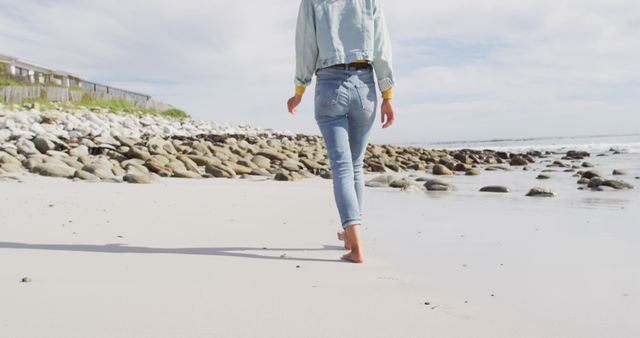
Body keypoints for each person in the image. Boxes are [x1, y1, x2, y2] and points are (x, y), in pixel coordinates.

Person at [287, 0, 396, 263]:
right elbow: (382, 45)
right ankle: (349, 236)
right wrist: (388, 94)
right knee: (355, 166)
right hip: (365, 85)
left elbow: (305, 45)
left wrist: (299, 89)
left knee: (342, 168)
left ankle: (355, 243)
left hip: (329, 83)